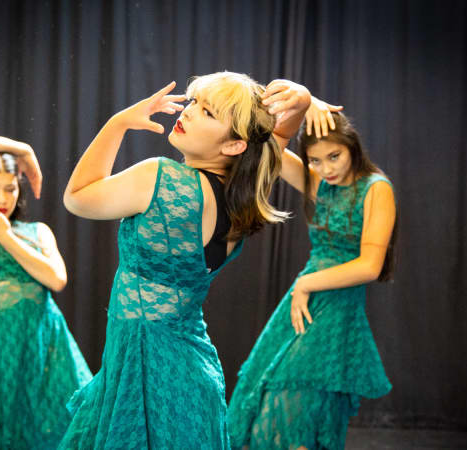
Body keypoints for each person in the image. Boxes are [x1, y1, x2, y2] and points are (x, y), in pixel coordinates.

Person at [59, 72, 298, 449]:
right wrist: (299, 102)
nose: (188, 112)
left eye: (208, 112)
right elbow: (275, 141)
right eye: (193, 102)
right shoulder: (244, 198)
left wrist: (117, 122)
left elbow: (77, 197)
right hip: (185, 375)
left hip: (150, 375)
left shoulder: (162, 177)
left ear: (235, 146)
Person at [227, 81, 397, 450]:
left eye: (333, 157)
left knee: (296, 408)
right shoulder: (320, 181)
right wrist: (305, 101)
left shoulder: (375, 188)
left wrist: (307, 284)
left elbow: (370, 265)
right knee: (263, 401)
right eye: (316, 160)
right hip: (304, 299)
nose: (325, 168)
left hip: (333, 306)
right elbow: (269, 147)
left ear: (351, 147)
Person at [0, 134, 92, 449]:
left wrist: (6, 236)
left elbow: (57, 279)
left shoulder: (37, 232)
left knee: (65, 427)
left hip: (47, 343)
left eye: (10, 188)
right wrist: (25, 150)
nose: (2, 198)